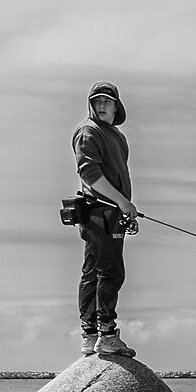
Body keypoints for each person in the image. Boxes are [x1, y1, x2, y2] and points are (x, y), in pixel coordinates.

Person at [72, 79, 139, 359]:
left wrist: (125, 210)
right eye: (96, 101)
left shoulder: (117, 137)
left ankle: (91, 336)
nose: (101, 105)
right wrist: (123, 202)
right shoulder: (89, 131)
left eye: (107, 101)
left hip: (113, 212)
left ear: (116, 106)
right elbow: (89, 173)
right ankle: (106, 334)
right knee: (109, 272)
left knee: (93, 270)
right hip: (99, 210)